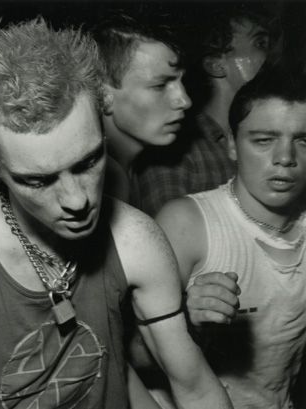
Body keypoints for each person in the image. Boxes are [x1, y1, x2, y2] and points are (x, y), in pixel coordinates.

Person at [0, 19, 232, 409]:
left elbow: (195, 388)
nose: (77, 200)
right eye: (38, 181)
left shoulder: (135, 239)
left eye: (88, 161)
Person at [155, 69, 306, 408]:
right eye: (264, 140)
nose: (285, 158)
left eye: (303, 140)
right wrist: (184, 325)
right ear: (234, 146)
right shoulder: (188, 223)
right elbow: (126, 353)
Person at [137, 3, 274, 216]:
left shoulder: (272, 140)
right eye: (260, 43)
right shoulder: (178, 153)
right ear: (216, 65)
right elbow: (171, 241)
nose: (272, 56)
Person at [91, 12, 191, 204]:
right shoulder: (102, 183)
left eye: (181, 82)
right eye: (160, 86)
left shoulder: (125, 172)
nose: (185, 101)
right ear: (104, 96)